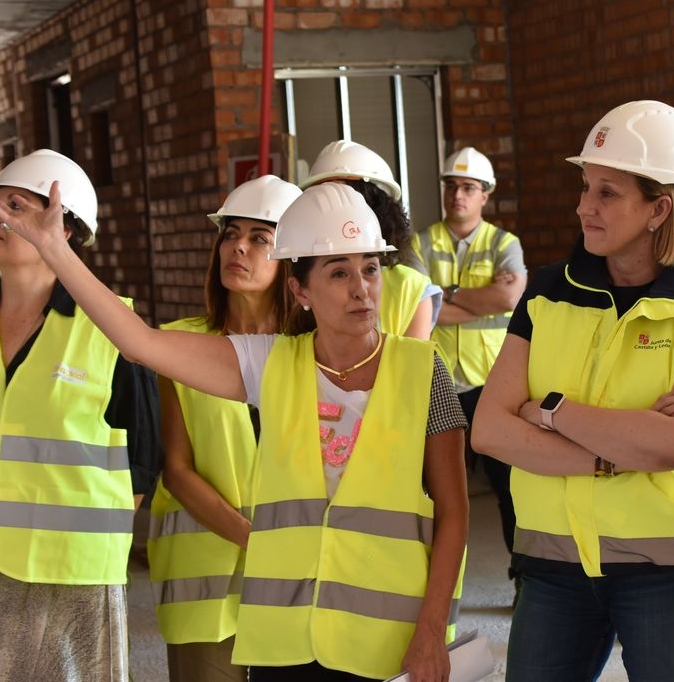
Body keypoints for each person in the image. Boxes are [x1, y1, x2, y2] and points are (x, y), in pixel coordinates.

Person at [0, 182, 469, 682]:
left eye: (370, 268)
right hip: (286, 644)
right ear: (300, 289)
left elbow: (454, 510)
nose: (361, 288)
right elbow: (138, 343)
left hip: (387, 637)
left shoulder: (422, 369)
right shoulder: (272, 365)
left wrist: (433, 631)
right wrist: (55, 251)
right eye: (340, 272)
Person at [472, 100, 674, 682]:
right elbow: (491, 430)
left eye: (607, 192)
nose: (584, 206)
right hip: (553, 559)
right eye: (586, 187)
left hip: (671, 563)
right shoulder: (545, 292)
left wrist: (549, 410)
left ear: (659, 209)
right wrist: (615, 450)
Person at [0, 149, 161, 681]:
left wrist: (82, 544)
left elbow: (143, 460)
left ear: (64, 230)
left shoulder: (111, 326)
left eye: (15, 205)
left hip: (67, 578)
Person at [147, 174, 301, 682]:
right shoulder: (179, 345)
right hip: (204, 579)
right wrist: (252, 539)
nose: (238, 246)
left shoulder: (318, 352)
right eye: (231, 234)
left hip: (300, 572)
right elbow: (177, 469)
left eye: (260, 237)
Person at [413, 146, 526, 589]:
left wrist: (444, 295)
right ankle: (429, 582)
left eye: (468, 187)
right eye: (451, 186)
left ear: (485, 195)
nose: (457, 194)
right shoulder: (420, 243)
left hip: (491, 383)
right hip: (437, 381)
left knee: (510, 489)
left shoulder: (504, 244)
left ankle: (524, 579)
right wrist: (471, 296)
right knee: (434, 491)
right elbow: (419, 308)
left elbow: (509, 299)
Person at [303, 139, 441, 339]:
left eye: (343, 197)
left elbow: (414, 366)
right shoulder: (301, 278)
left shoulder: (409, 286)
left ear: (376, 207)